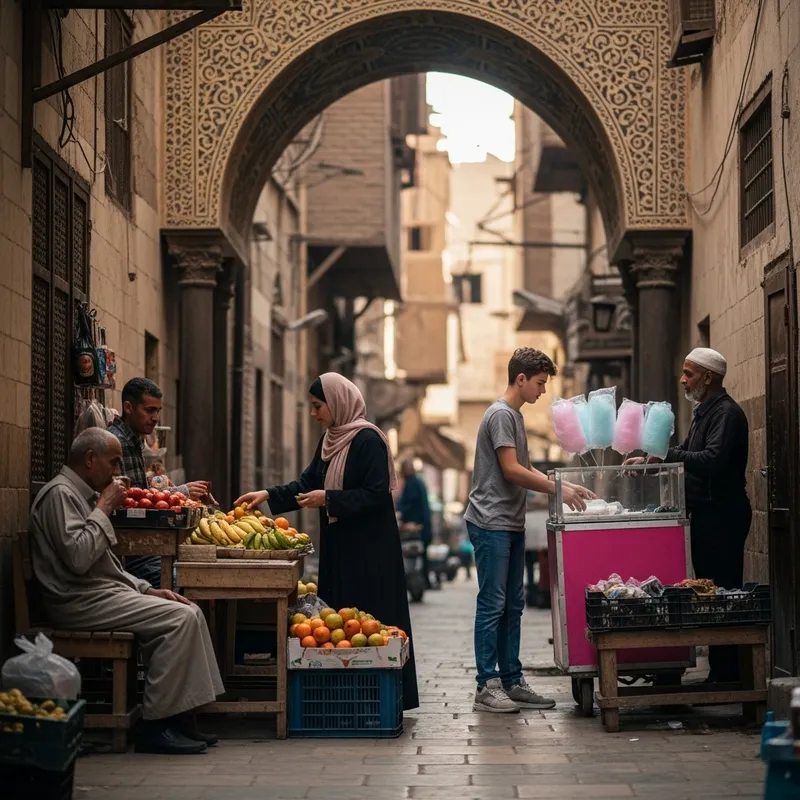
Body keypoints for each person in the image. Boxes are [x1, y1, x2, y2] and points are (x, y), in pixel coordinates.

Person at [28, 428, 224, 754]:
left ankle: (180, 717)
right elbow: (79, 559)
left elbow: (106, 567)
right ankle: (155, 725)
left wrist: (147, 589)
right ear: (90, 460)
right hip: (76, 600)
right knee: (178, 619)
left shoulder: (79, 495)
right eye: (113, 463)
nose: (117, 472)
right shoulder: (60, 495)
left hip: (99, 593)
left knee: (190, 609)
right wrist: (104, 507)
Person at [235, 373, 420, 710]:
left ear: (337, 403)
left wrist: (330, 499)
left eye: (318, 406)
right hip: (341, 548)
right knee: (343, 626)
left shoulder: (368, 441)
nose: (314, 413)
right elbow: (307, 485)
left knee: (371, 621)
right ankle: (346, 697)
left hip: (370, 553)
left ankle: (376, 699)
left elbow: (376, 495)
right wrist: (267, 495)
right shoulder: (330, 441)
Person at [465, 348, 592, 713]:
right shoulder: (501, 415)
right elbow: (511, 470)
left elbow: (527, 467)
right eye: (539, 383)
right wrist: (557, 489)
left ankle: (512, 680)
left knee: (513, 605)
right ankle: (486, 685)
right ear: (520, 379)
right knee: (493, 605)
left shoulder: (515, 418)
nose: (542, 391)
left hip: (509, 521)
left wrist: (562, 484)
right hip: (490, 523)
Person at [626, 347, 750, 683]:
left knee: (720, 592)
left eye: (689, 373)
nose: (683, 379)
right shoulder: (703, 412)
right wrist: (651, 462)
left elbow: (711, 460)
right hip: (706, 514)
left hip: (722, 516)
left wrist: (664, 453)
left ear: (707, 378)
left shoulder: (725, 414)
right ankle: (722, 671)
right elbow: (686, 455)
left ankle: (727, 675)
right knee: (709, 590)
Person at [109, 377, 210, 587]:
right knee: (183, 582)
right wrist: (179, 492)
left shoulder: (134, 440)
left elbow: (139, 494)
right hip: (132, 551)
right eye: (149, 410)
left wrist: (169, 490)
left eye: (158, 411)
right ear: (128, 407)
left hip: (143, 545)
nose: (155, 418)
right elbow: (126, 501)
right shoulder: (117, 443)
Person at [397, 458, 433, 588]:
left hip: (416, 526)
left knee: (417, 555)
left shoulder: (412, 483)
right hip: (423, 526)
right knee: (423, 556)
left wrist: (399, 513)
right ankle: (425, 581)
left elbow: (407, 504)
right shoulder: (417, 482)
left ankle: (420, 581)